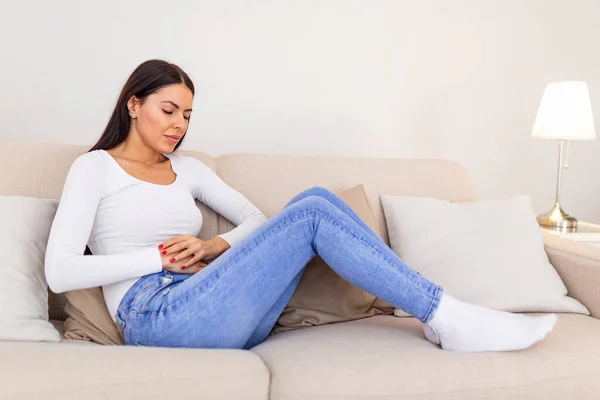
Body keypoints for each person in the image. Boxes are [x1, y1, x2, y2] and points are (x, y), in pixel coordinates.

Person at [44, 59, 557, 352]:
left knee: (312, 199)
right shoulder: (94, 168)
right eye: (168, 109)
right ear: (134, 105)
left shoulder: (191, 169)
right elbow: (60, 271)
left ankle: (437, 311)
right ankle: (445, 313)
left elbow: (257, 221)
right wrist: (155, 259)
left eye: (188, 114)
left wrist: (212, 245)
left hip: (211, 299)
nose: (179, 124)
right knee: (312, 211)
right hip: (155, 314)